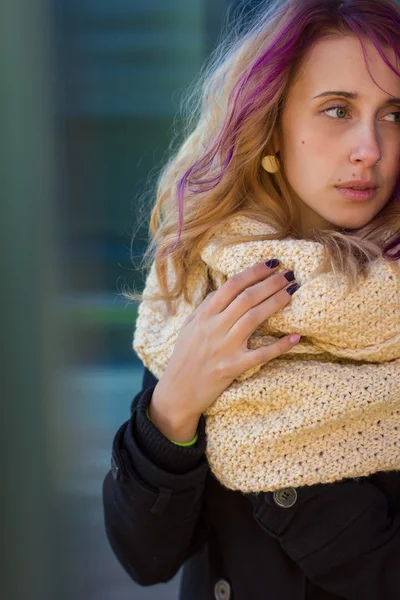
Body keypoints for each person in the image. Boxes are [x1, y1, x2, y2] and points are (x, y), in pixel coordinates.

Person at [102, 0, 400, 598]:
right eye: (337, 110)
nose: (369, 147)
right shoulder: (206, 284)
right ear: (271, 126)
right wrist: (174, 407)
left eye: (394, 115)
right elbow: (145, 556)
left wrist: (287, 470)